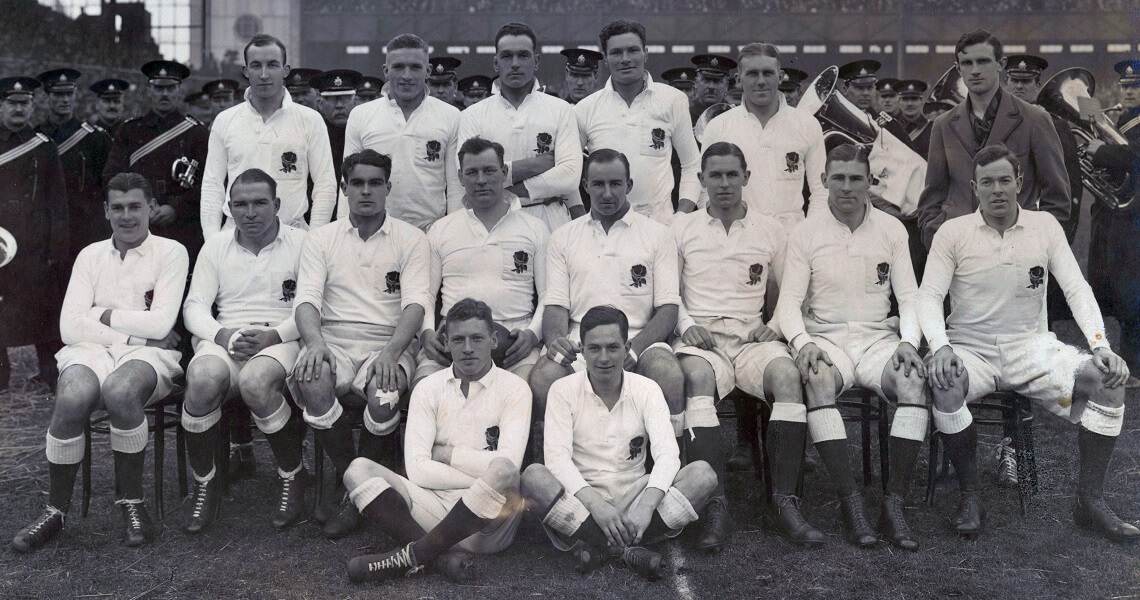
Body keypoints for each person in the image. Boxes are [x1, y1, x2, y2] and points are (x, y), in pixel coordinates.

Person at [918, 143, 1137, 543]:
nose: (997, 189)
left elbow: (1076, 287)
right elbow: (929, 296)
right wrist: (941, 346)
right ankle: (971, 496)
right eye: (987, 182)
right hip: (971, 347)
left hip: (1031, 347)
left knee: (1108, 382)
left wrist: (1100, 345)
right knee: (945, 384)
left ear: (1019, 182)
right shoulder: (953, 232)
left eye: (1005, 180)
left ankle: (1090, 502)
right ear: (974, 186)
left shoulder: (1045, 227)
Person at [10, 172, 189, 553]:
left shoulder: (171, 251)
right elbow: (69, 327)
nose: (127, 216)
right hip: (94, 349)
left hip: (149, 355)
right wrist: (132, 332)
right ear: (106, 211)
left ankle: (132, 503)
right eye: (118, 208)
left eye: (136, 207)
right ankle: (56, 510)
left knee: (120, 391)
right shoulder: (90, 255)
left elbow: (162, 323)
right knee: (72, 396)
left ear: (151, 208)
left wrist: (101, 314)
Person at [774, 144, 930, 551]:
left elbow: (909, 297)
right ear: (824, 181)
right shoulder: (806, 232)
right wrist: (803, 342)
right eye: (838, 178)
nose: (846, 187)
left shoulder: (893, 229)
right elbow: (788, 303)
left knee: (913, 383)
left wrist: (910, 342)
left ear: (869, 182)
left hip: (879, 339)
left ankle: (893, 504)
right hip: (827, 338)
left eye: (856, 178)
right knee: (819, 380)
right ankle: (852, 502)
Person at [290, 149, 430, 539]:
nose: (365, 191)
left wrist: (391, 352)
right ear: (344, 188)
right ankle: (358, 485)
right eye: (357, 183)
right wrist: (315, 343)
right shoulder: (321, 238)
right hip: (332, 338)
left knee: (384, 393)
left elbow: (416, 304)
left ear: (388, 188)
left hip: (388, 341)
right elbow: (306, 300)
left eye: (374, 183)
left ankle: (354, 499)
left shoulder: (412, 239)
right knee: (312, 380)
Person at [342, 298, 531, 583]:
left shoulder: (516, 388)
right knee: (358, 469)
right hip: (434, 511)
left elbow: (509, 466)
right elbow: (417, 469)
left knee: (503, 469)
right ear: (446, 341)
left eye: (477, 338)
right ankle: (440, 557)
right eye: (458, 339)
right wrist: (479, 479)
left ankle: (415, 555)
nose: (467, 348)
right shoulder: (429, 387)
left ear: (493, 340)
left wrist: (448, 455)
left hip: (489, 525)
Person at [522, 306, 717, 580]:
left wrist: (646, 506)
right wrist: (596, 505)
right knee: (533, 476)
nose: (604, 358)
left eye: (613, 348)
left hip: (636, 495)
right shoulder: (563, 390)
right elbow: (556, 458)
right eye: (595, 348)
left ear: (627, 348)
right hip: (582, 501)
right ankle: (625, 550)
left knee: (703, 475)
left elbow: (668, 454)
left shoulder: (646, 389)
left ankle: (602, 546)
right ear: (582, 350)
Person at [671, 142, 801, 550]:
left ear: (746, 177)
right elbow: (666, 292)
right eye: (715, 175)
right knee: (697, 378)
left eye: (732, 175)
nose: (724, 184)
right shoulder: (680, 229)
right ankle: (715, 505)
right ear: (701, 180)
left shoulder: (771, 230)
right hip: (701, 338)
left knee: (788, 376)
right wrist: (687, 324)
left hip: (750, 337)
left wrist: (776, 324)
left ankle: (785, 502)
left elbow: (790, 290)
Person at [528, 149, 686, 470]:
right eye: (598, 184)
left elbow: (668, 309)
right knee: (544, 376)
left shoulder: (658, 235)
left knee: (667, 373)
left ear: (629, 184)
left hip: (640, 339)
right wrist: (557, 338)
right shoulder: (563, 238)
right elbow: (555, 305)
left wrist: (635, 350)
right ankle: (556, 478)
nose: (608, 193)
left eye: (616, 183)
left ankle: (668, 475)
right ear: (585, 185)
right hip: (581, 343)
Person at [179, 169, 309, 534]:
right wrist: (222, 335)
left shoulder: (303, 242)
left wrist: (274, 335)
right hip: (228, 337)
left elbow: (313, 305)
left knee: (255, 382)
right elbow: (194, 308)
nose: (249, 212)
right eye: (240, 204)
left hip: (281, 338)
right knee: (202, 380)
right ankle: (207, 484)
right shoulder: (215, 246)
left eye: (259, 203)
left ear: (277, 205)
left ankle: (291, 474)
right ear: (229, 207)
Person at [915, 29, 1070, 249]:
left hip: (1017, 250)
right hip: (959, 251)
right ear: (958, 68)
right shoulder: (942, 124)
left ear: (1001, 64)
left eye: (983, 61)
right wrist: (936, 237)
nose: (975, 70)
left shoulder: (1035, 119)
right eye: (967, 63)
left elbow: (1057, 198)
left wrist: (1035, 246)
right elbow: (932, 195)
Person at [416, 137, 548, 385]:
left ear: (504, 172)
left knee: (525, 391)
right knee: (425, 386)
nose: (481, 180)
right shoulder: (441, 230)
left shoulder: (535, 229)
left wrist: (532, 334)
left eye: (489, 171)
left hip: (514, 343)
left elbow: (548, 295)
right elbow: (425, 293)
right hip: (453, 339)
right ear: (460, 176)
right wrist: (426, 333)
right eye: (472, 172)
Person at [201, 35, 337, 238]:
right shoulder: (225, 120)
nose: (264, 74)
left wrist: (315, 237)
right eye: (256, 66)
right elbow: (213, 184)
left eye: (272, 65)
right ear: (246, 71)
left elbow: (325, 184)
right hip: (236, 233)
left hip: (293, 233)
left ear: (285, 70)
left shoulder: (310, 119)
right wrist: (212, 239)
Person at [458, 22, 585, 232]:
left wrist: (503, 185)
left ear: (535, 61)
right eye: (507, 56)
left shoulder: (561, 109)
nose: (515, 63)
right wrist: (537, 164)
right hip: (495, 219)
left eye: (523, 56)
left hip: (550, 219)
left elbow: (569, 177)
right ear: (496, 63)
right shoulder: (473, 115)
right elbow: (465, 174)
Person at [575, 19, 701, 223]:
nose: (625, 59)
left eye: (633, 50)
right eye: (616, 53)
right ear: (606, 59)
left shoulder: (672, 99)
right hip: (605, 223)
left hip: (661, 222)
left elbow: (692, 164)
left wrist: (683, 216)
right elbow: (572, 174)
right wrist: (581, 219)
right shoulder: (585, 108)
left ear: (645, 53)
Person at [699, 43, 827, 230]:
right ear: (738, 79)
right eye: (752, 74)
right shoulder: (718, 126)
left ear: (780, 77)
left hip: (792, 236)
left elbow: (820, 190)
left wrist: (809, 234)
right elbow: (704, 191)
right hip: (739, 234)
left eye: (767, 73)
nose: (760, 81)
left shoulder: (807, 124)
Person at [344, 34, 463, 231]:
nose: (406, 76)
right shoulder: (361, 115)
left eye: (415, 67)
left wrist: (455, 233)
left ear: (428, 71)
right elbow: (348, 182)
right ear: (385, 70)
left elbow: (456, 187)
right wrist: (348, 232)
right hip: (375, 230)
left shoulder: (451, 116)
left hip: (431, 230)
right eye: (398, 67)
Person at [0, 76, 69, 393]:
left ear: (31, 106)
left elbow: (57, 201)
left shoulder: (44, 146)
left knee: (45, 312)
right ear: (2, 106)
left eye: (23, 103)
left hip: (34, 244)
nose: (17, 109)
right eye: (11, 103)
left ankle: (49, 375)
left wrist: (56, 248)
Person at [104, 60, 210, 265]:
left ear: (180, 90)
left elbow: (209, 184)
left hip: (182, 229)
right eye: (158, 88)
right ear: (149, 90)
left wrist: (176, 208)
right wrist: (139, 208)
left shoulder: (197, 133)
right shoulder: (129, 131)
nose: (165, 94)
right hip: (137, 228)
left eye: (170, 88)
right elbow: (111, 178)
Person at [1003, 54, 1083, 243]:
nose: (1019, 86)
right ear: (1005, 83)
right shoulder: (992, 122)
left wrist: (1060, 234)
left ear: (1038, 86)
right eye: (1014, 80)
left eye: (1027, 81)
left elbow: (1069, 182)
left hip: (1035, 225)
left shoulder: (1054, 124)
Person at [36, 68, 113, 261]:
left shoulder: (95, 138)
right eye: (58, 94)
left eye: (69, 94)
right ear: (47, 97)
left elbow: (107, 186)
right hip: (45, 229)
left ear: (75, 95)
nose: (64, 100)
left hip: (85, 228)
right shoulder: (35, 138)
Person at [836, 60, 913, 151]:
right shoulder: (835, 124)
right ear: (845, 89)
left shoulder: (891, 126)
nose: (866, 93)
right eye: (859, 88)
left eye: (870, 87)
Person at [310, 69, 362, 183]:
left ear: (356, 102)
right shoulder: (312, 135)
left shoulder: (364, 133)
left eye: (345, 98)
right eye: (332, 99)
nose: (339, 106)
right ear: (320, 104)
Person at [689, 54, 737, 125]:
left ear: (726, 86)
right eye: (706, 80)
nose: (711, 86)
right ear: (696, 83)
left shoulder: (735, 117)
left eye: (717, 81)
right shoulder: (684, 115)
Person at [896, 80, 930, 159]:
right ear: (899, 102)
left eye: (914, 99)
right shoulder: (893, 128)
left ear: (921, 101)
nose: (909, 104)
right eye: (905, 99)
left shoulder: (933, 128)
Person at [1113, 60, 1140, 144]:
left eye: (1134, 87)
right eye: (1125, 86)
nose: (1128, 92)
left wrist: (1102, 149)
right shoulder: (1124, 117)